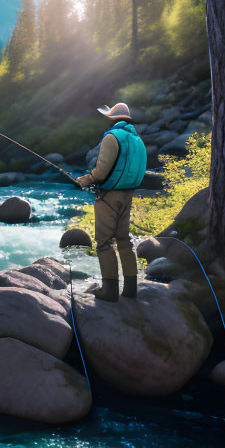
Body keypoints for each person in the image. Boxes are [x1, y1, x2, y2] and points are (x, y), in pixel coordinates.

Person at [75, 102, 147, 302]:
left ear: (111, 118)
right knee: (124, 240)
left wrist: (85, 180)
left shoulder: (111, 136)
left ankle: (110, 290)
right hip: (128, 194)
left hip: (109, 196)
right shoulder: (136, 139)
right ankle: (130, 289)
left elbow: (102, 170)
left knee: (104, 242)